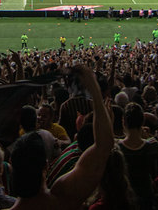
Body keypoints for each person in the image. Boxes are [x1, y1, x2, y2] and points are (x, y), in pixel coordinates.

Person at [7, 65, 112, 210]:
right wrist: (94, 90)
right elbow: (104, 146)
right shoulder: (62, 198)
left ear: (11, 166)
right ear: (46, 165)